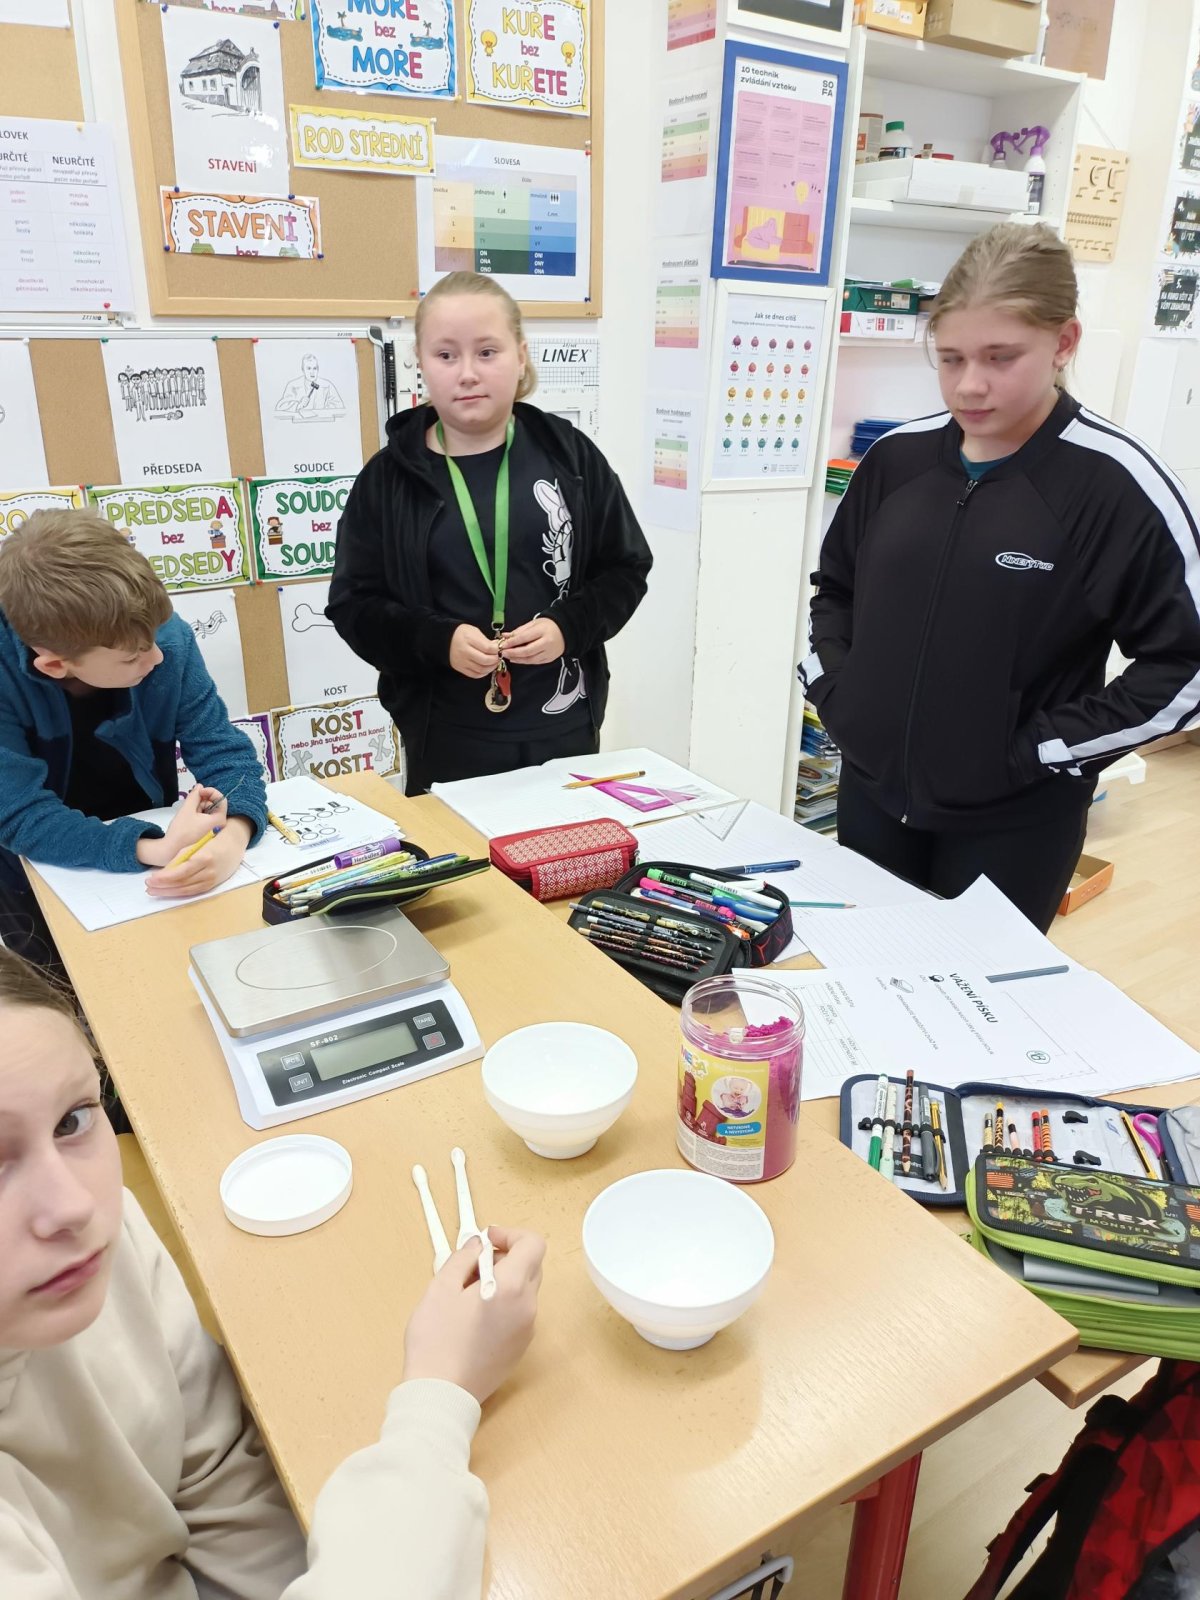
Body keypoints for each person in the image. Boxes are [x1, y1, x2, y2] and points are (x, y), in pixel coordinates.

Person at [0, 944, 545, 1597]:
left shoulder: (85, 1242)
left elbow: (214, 1468)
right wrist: (440, 1394)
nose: (73, 1206)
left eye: (71, 1120)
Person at [800, 222, 1200, 932]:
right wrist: (838, 695)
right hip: (871, 796)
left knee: (975, 996)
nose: (970, 385)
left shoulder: (1117, 487)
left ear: (1064, 343)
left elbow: (1185, 665)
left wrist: (1042, 750)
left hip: (1016, 823)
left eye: (1000, 357)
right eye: (951, 358)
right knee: (865, 975)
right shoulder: (896, 460)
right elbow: (835, 590)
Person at [327, 271, 653, 795]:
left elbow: (626, 568)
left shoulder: (570, 457)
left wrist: (568, 627)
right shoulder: (387, 480)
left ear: (520, 356)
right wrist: (437, 640)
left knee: (561, 846)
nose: (467, 373)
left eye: (487, 352)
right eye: (446, 355)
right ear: (420, 362)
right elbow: (353, 605)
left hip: (564, 723)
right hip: (445, 733)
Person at [0, 511, 266, 975]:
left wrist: (235, 833)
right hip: (34, 871)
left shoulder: (159, 637)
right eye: (133, 657)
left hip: (146, 846)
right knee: (63, 985)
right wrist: (153, 849)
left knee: (162, 976)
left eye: (156, 638)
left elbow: (224, 751)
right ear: (55, 665)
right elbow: (18, 813)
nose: (158, 657)